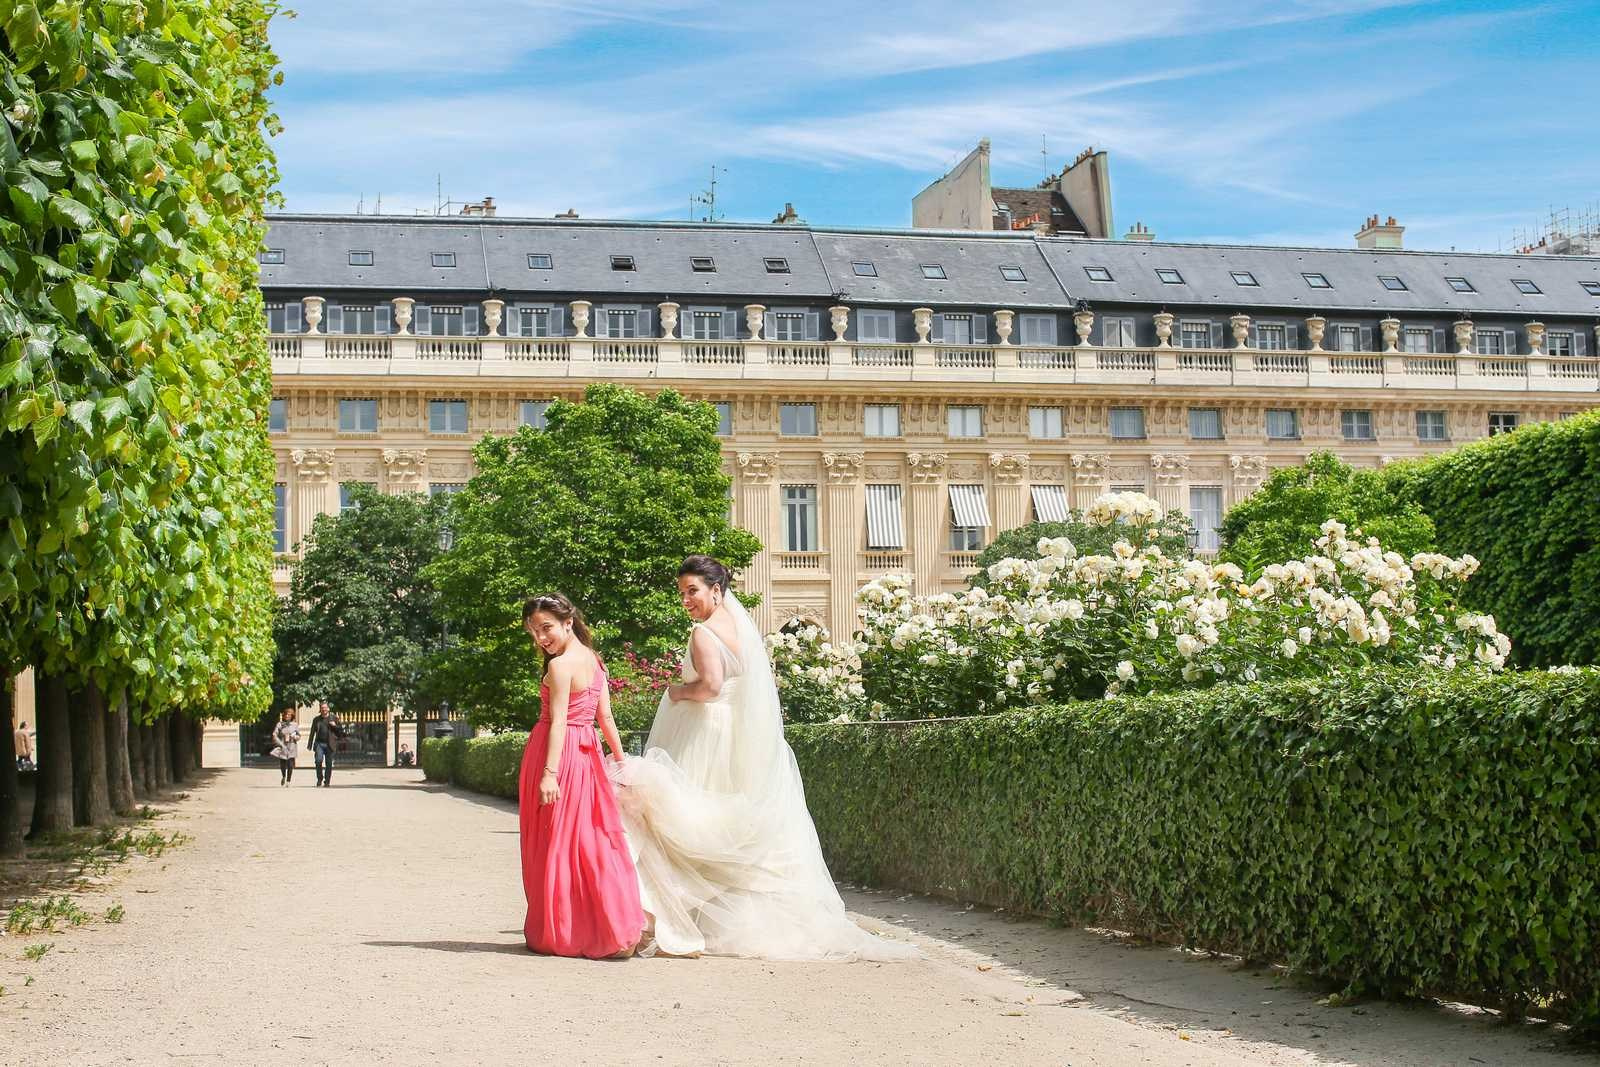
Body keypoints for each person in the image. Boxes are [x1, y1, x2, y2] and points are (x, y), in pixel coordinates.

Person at [608, 555, 915, 961]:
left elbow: (711, 687)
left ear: (716, 591)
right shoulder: (740, 628)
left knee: (683, 818)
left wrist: (677, 692)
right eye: (682, 593)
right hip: (734, 735)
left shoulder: (702, 633)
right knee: (725, 821)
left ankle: (676, 918)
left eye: (693, 591)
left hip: (705, 731)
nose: (686, 600)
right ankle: (717, 919)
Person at [519, 593, 645, 959]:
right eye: (534, 631)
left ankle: (564, 931)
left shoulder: (560, 667)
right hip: (587, 757)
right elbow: (605, 720)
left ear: (567, 622)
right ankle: (612, 926)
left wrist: (549, 774)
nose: (541, 638)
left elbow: (558, 721)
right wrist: (621, 765)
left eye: (546, 628)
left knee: (555, 842)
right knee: (590, 840)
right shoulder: (595, 660)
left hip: (557, 756)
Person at [307, 701, 345, 787]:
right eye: (322, 708)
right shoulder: (316, 719)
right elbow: (312, 732)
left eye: (325, 708)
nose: (324, 709)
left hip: (330, 744)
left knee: (329, 763)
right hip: (319, 743)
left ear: (328, 708)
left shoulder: (334, 718)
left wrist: (334, 725)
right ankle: (319, 778)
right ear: (320, 709)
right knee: (318, 760)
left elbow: (341, 731)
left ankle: (327, 781)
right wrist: (309, 744)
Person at [270, 709, 299, 786]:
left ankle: (288, 781)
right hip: (283, 746)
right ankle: (283, 776)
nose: (287, 716)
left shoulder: (295, 725)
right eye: (286, 715)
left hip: (292, 746)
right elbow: (274, 734)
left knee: (290, 764)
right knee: (283, 763)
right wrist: (279, 742)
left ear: (292, 716)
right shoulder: (280, 724)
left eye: (289, 715)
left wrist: (295, 737)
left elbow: (299, 736)